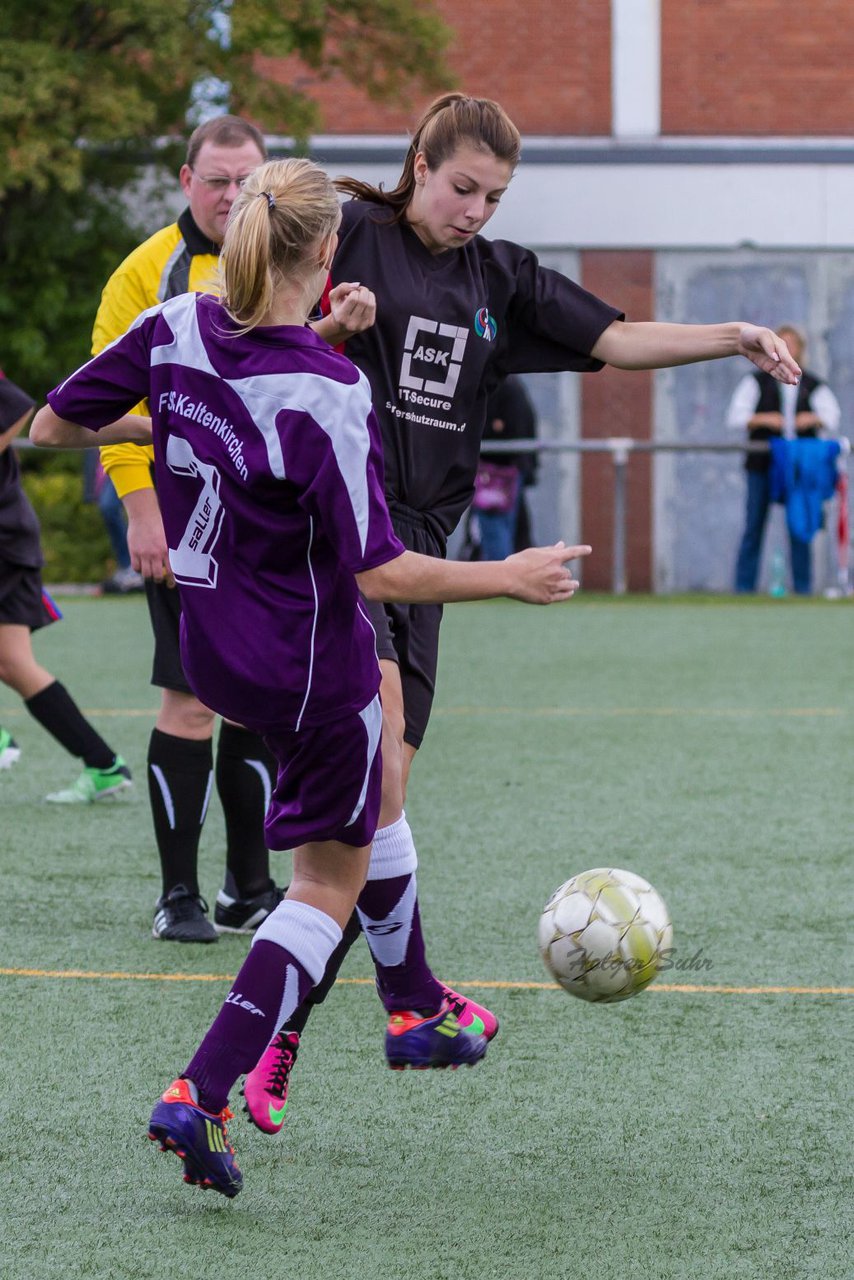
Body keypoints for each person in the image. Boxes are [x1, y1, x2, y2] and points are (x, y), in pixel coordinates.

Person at [238, 92, 802, 1137]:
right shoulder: (347, 233)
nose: (474, 210)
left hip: (422, 557)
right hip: (333, 537)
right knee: (379, 782)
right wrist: (328, 327)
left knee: (360, 822)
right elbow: (256, 339)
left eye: (493, 196)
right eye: (462, 187)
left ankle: (296, 1028)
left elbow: (619, 338)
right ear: (418, 162)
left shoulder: (498, 278)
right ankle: (378, 1009)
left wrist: (730, 334)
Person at [31, 156, 589, 1198]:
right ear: (326, 251)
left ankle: (415, 1002)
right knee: (324, 885)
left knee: (376, 771)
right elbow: (379, 566)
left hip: (216, 646)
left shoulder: (177, 328)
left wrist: (175, 418)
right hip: (303, 661)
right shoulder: (328, 390)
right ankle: (198, 1090)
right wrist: (505, 574)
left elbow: (53, 423)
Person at [94, 114, 376, 942]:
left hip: (272, 530)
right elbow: (104, 402)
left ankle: (249, 887)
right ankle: (177, 893)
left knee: (261, 707)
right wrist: (142, 509)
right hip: (190, 527)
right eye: (215, 179)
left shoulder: (288, 252)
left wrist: (338, 326)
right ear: (187, 181)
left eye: (244, 180)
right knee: (187, 704)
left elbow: (276, 379)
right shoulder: (151, 272)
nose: (229, 195)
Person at [0, 370, 131, 801]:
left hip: (5, 538)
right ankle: (103, 765)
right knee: (13, 663)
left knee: (13, 662)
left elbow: (17, 405)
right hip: (11, 538)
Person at [727, 323, 840, 595]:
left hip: (798, 467)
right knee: (754, 524)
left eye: (793, 345)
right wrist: (763, 418)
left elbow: (832, 417)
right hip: (763, 463)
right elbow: (734, 418)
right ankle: (744, 588)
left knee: (799, 525)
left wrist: (813, 418)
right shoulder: (755, 381)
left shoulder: (813, 385)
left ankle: (802, 588)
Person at [471, 374, 539, 560]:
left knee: (496, 527)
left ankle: (499, 576)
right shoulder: (510, 385)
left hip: (499, 473)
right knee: (508, 528)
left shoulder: (503, 385)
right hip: (507, 469)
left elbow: (510, 429)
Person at [81, 452, 144, 593]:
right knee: (108, 507)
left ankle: (139, 568)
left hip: (142, 452)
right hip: (119, 453)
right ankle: (130, 567)